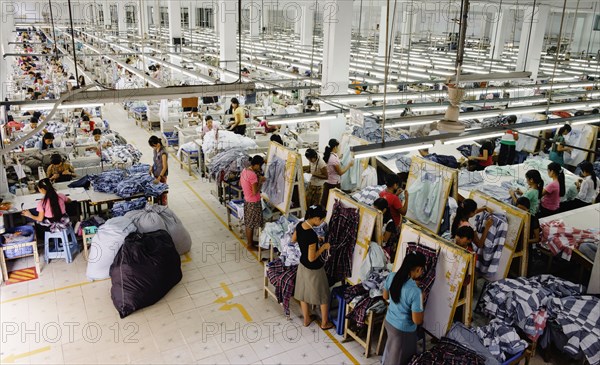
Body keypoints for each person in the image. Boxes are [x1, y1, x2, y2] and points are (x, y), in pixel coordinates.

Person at [292, 205, 334, 330]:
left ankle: (306, 319)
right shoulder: (310, 235)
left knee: (303, 293)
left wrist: (314, 241)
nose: (321, 222)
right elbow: (312, 257)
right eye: (321, 220)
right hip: (314, 268)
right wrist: (323, 247)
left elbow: (293, 239)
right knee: (324, 296)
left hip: (302, 266)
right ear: (316, 218)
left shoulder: (300, 225)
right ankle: (325, 323)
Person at [382, 252, 426, 365]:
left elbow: (385, 296)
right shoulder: (416, 292)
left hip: (388, 322)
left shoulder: (392, 276)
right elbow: (417, 320)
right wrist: (420, 301)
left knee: (391, 353)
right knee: (400, 359)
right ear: (418, 269)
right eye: (422, 270)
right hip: (402, 330)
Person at [240, 156, 265, 250]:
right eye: (260, 166)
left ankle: (250, 241)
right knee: (251, 224)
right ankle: (250, 245)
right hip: (253, 202)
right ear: (257, 165)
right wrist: (261, 182)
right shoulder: (252, 175)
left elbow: (240, 184)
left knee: (248, 222)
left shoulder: (244, 171)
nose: (260, 168)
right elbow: (255, 191)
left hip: (247, 200)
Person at [321, 139, 354, 207]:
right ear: (335, 147)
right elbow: (340, 172)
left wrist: (339, 157)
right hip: (334, 184)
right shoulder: (333, 159)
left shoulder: (329, 155)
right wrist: (349, 165)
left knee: (326, 201)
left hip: (328, 182)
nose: (338, 149)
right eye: (338, 147)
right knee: (333, 203)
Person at [148, 135, 168, 205]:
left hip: (161, 175)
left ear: (157, 144)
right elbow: (156, 161)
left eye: (153, 146)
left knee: (162, 193)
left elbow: (164, 167)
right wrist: (151, 168)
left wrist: (159, 178)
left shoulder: (163, 153)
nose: (152, 148)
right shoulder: (155, 150)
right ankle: (157, 206)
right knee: (156, 193)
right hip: (156, 174)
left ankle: (163, 207)